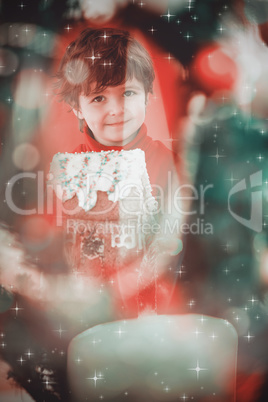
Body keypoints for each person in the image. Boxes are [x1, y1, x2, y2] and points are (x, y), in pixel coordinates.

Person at [54, 27, 183, 314]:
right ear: (77, 106)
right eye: (99, 98)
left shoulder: (167, 166)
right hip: (77, 312)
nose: (116, 109)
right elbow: (57, 243)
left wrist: (116, 292)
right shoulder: (65, 171)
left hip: (148, 313)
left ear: (148, 96)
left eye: (128, 93)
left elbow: (169, 246)